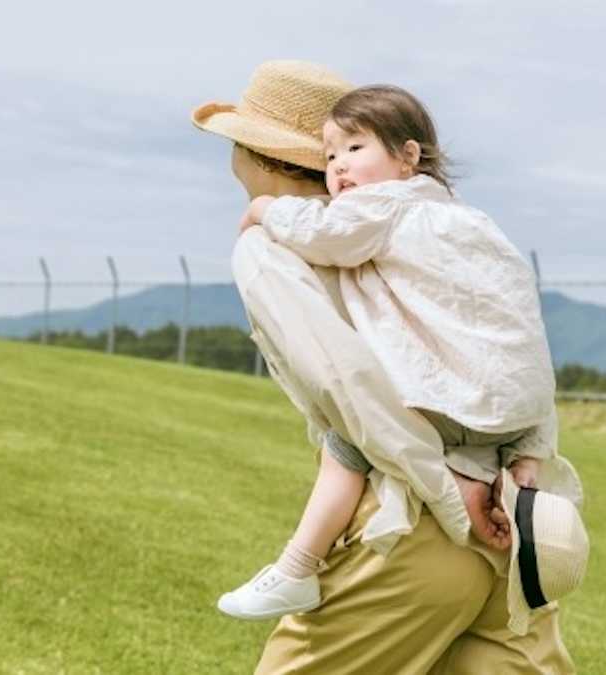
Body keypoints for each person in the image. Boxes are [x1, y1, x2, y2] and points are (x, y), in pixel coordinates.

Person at [192, 60, 586, 673]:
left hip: (416, 524)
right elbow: (516, 347)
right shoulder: (445, 233)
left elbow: (352, 390)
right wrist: (527, 450)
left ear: (257, 157)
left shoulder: (270, 248)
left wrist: (450, 496)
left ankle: (294, 564)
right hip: (517, 531)